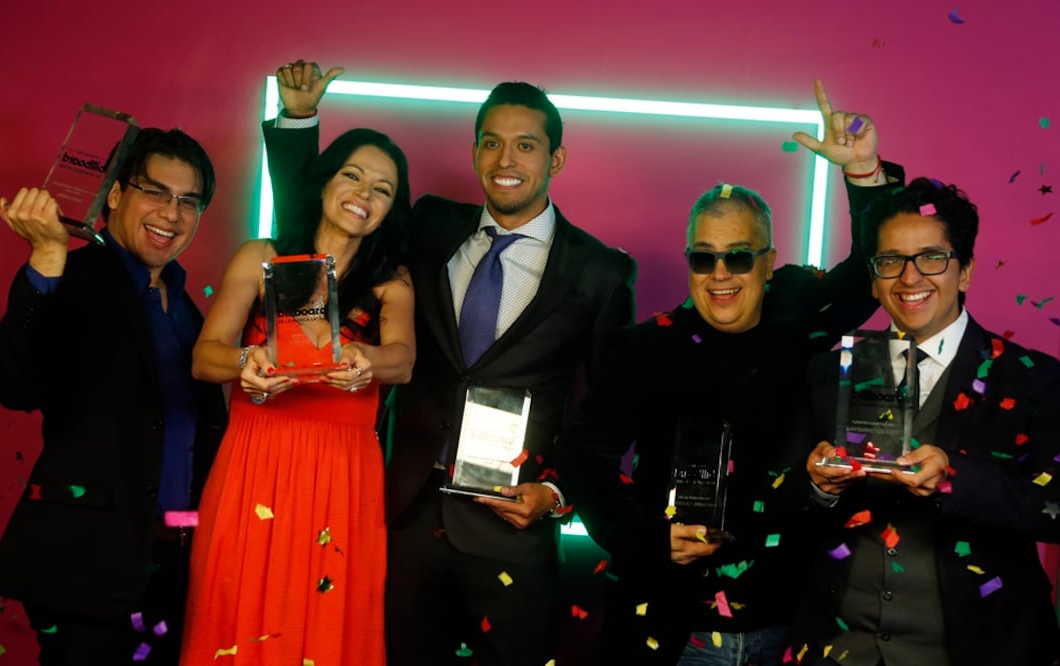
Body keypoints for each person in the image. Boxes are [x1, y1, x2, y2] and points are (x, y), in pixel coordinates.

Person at [264, 60, 636, 665]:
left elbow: (609, 409)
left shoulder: (600, 271)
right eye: (491, 143)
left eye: (525, 145)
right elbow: (323, 228)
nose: (505, 160)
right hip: (406, 515)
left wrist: (556, 491)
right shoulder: (433, 225)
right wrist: (299, 121)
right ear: (474, 151)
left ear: (556, 160)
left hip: (512, 528)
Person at [554, 81, 904, 665]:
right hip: (670, 625)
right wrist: (647, 538)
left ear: (768, 263)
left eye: (739, 255)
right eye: (703, 256)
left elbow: (868, 275)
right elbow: (582, 455)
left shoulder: (801, 315)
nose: (721, 273)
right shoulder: (642, 349)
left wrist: (864, 174)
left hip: (790, 621)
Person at [0, 128, 226, 664]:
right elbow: (16, 386)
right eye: (155, 192)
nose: (171, 213)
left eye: (189, 201)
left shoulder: (187, 308)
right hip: (85, 565)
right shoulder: (75, 277)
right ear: (115, 195)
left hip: (172, 564)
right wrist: (48, 254)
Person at [793, 178, 1060, 666]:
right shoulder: (828, 373)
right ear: (874, 279)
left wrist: (955, 477)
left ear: (965, 272)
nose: (909, 278)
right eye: (891, 261)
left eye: (931, 258)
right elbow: (787, 512)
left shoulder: (1036, 380)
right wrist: (819, 488)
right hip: (841, 650)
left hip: (979, 650)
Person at [179, 127, 416, 665]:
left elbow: (402, 359)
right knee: (239, 612)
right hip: (253, 463)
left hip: (343, 474)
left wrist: (367, 361)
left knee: (330, 622)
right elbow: (204, 356)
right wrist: (247, 362)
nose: (364, 194)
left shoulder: (390, 280)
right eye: (352, 175)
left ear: (391, 208)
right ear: (323, 183)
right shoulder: (262, 257)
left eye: (383, 188)